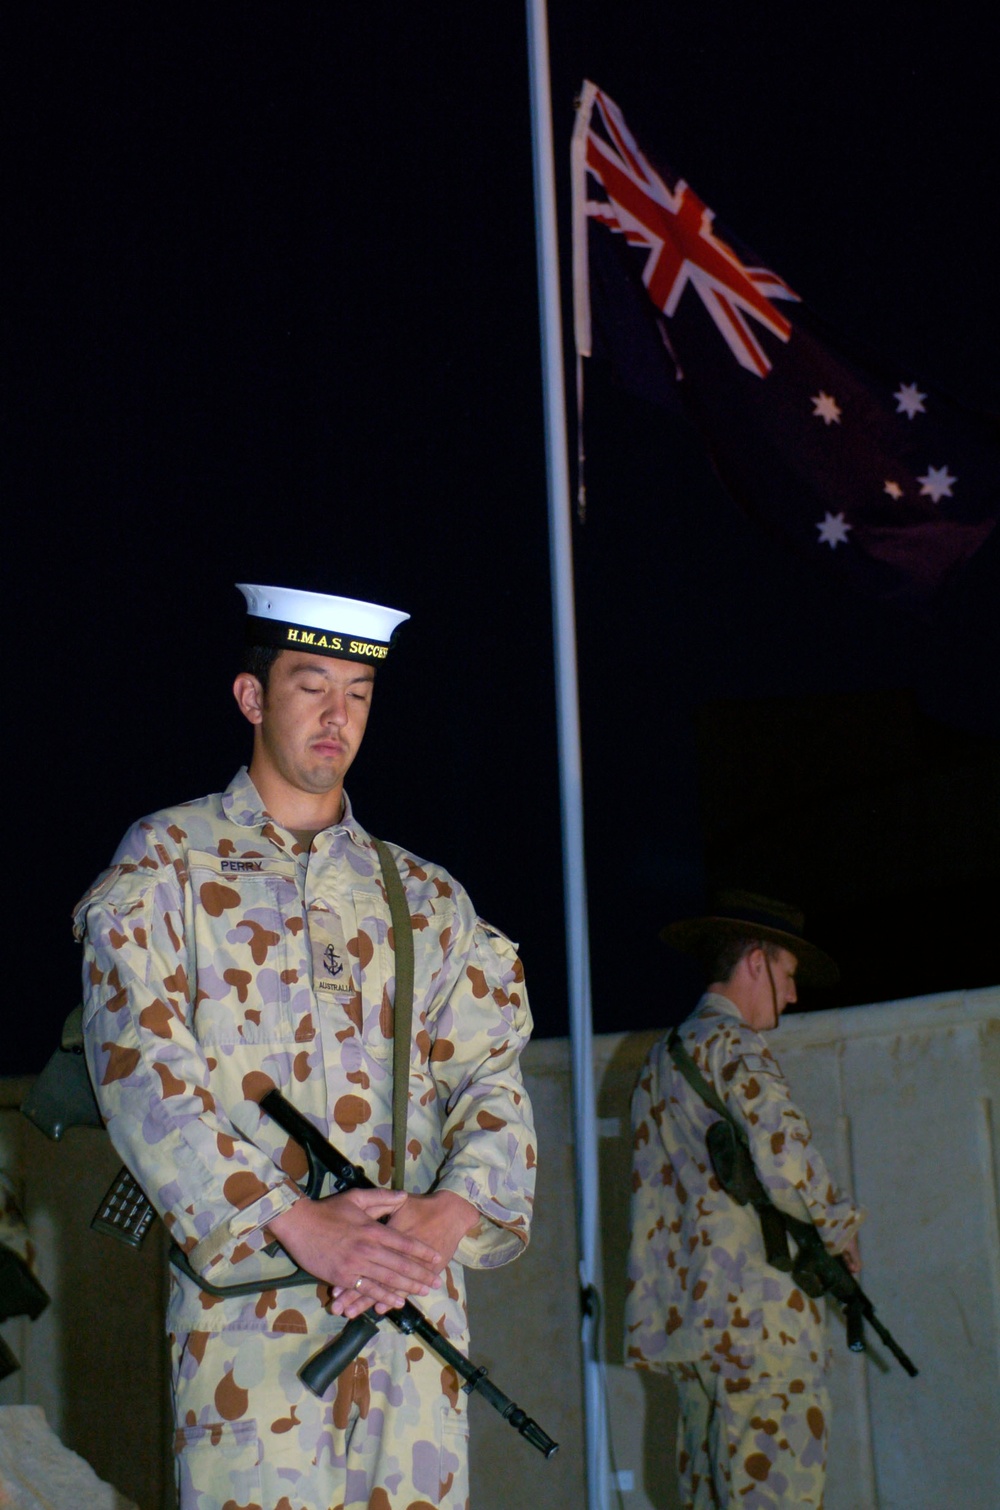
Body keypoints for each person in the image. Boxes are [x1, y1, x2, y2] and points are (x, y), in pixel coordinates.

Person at [74, 583, 536, 1510]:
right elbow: (143, 1074)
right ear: (251, 697)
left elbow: (492, 1076)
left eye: (359, 693)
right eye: (311, 685)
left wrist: (452, 1210)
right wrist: (295, 1220)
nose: (338, 716)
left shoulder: (427, 898)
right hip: (254, 1330)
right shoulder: (168, 861)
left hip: (410, 1323)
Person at [625, 891, 863, 1510]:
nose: (792, 996)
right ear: (755, 962)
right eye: (788, 974)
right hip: (760, 1330)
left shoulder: (658, 1061)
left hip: (692, 1330)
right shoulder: (735, 1048)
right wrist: (839, 1233)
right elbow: (786, 1162)